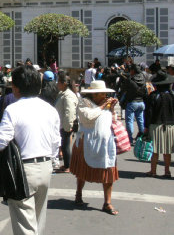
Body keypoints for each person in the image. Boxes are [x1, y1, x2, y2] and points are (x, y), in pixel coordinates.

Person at [0, 65, 61, 235]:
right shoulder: (50, 110)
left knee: (25, 224)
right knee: (38, 220)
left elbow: (0, 142)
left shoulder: (13, 109)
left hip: (23, 169)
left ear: (16, 88)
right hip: (46, 166)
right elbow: (55, 141)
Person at [70, 80, 119, 215]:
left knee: (109, 171)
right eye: (101, 94)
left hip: (106, 143)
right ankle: (78, 194)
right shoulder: (84, 103)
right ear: (94, 94)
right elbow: (87, 117)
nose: (104, 96)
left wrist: (112, 109)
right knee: (82, 171)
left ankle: (107, 203)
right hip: (87, 141)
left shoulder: (107, 105)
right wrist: (103, 107)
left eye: (105, 94)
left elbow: (113, 120)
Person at [144, 71, 174, 178]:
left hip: (155, 124)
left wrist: (146, 126)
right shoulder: (172, 96)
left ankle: (153, 171)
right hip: (171, 125)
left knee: (154, 150)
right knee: (167, 150)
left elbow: (148, 113)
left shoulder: (153, 96)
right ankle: (167, 171)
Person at [55, 71, 78, 173]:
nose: (57, 84)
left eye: (58, 82)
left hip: (65, 124)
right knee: (64, 145)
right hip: (62, 123)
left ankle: (68, 166)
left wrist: (68, 125)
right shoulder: (62, 93)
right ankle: (66, 164)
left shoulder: (68, 95)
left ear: (64, 83)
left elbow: (70, 111)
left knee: (66, 145)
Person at [120, 64, 146, 145]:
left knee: (129, 121)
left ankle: (130, 139)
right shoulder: (143, 78)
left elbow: (124, 89)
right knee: (141, 121)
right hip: (141, 102)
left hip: (132, 102)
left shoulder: (130, 79)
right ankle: (142, 138)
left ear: (133, 71)